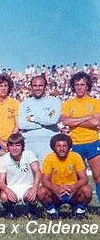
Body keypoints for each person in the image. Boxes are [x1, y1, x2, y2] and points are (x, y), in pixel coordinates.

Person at [61, 72, 100, 204]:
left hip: (93, 142)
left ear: (87, 86)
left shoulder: (95, 102)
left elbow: (96, 122)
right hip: (75, 144)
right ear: (73, 86)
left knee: (98, 176)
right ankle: (78, 207)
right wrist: (88, 117)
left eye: (82, 84)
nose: (79, 87)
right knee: (78, 179)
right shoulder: (68, 104)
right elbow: (66, 121)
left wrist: (75, 121)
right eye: (76, 84)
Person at [37, 134, 92, 219]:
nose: (61, 149)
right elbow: (44, 180)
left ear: (69, 147)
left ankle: (79, 211)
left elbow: (84, 178)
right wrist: (56, 188)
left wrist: (72, 187)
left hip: (72, 192)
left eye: (64, 146)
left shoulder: (75, 156)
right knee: (40, 192)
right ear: (54, 147)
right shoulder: (49, 158)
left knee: (87, 190)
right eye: (58, 146)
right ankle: (52, 212)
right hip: (56, 193)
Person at [0, 133, 41, 219]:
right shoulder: (3, 159)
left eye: (17, 145)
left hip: (28, 187)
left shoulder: (28, 154)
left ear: (22, 146)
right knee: (3, 196)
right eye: (11, 145)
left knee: (37, 193)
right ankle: (11, 212)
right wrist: (7, 190)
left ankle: (32, 212)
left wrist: (34, 188)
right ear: (8, 147)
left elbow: (38, 172)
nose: (14, 148)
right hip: (12, 188)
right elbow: (1, 181)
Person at [18, 74, 61, 162]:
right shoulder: (24, 104)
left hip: (49, 142)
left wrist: (33, 118)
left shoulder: (54, 101)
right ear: (31, 87)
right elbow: (22, 124)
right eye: (35, 86)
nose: (37, 88)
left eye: (40, 85)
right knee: (30, 174)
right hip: (28, 143)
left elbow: (52, 119)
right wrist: (42, 123)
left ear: (45, 86)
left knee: (46, 174)